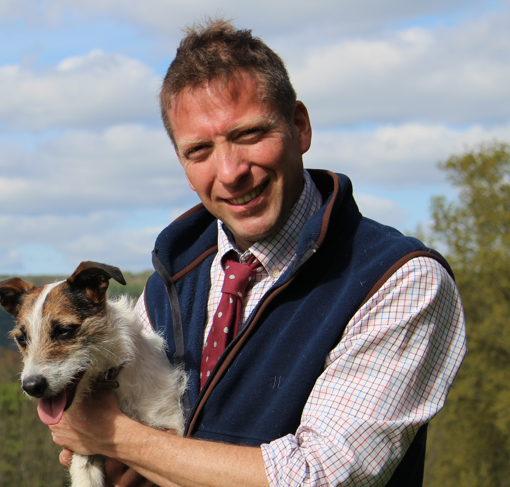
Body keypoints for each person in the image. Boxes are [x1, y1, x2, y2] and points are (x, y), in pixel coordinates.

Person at [48, 18, 467, 487]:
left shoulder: (400, 279)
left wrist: (113, 437)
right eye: (199, 150)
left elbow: (319, 478)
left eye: (248, 135)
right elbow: (143, 436)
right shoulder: (171, 279)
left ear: (300, 127)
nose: (230, 172)